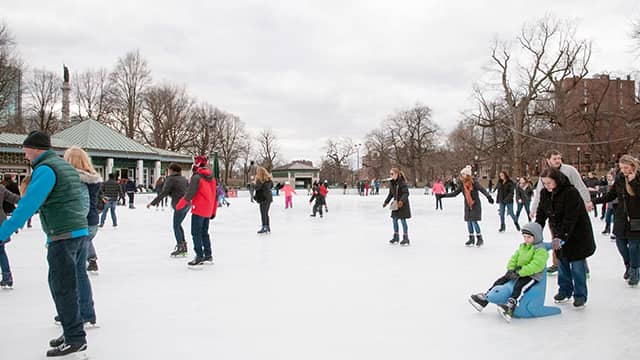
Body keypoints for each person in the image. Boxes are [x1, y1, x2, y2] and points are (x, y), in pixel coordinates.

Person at [0, 131, 90, 357]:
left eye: (26, 149)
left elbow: (29, 204)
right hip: (77, 232)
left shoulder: (46, 169)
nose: (24, 154)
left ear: (37, 148)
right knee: (67, 284)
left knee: (62, 287)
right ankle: (73, 330)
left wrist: (3, 232)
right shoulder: (62, 165)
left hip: (64, 234)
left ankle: (75, 338)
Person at [535, 168, 596, 308]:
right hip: (559, 234)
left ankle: (580, 295)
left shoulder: (570, 193)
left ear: (557, 180)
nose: (547, 186)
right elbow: (541, 213)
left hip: (577, 235)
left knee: (577, 267)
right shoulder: (545, 193)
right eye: (544, 183)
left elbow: (571, 218)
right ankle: (565, 290)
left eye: (549, 183)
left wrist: (562, 237)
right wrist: (536, 229)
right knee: (562, 264)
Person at [468, 222, 549, 322]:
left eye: (529, 237)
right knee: (501, 280)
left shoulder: (540, 250)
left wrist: (520, 273)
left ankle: (511, 306)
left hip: (532, 276)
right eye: (524, 237)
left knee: (519, 286)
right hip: (518, 271)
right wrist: (511, 270)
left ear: (536, 237)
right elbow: (514, 258)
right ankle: (485, 299)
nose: (526, 239)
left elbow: (536, 265)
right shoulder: (522, 246)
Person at [530, 149, 592, 275]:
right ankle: (557, 263)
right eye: (554, 158)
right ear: (548, 160)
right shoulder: (545, 175)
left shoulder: (569, 170)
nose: (558, 161)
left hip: (570, 208)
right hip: (554, 213)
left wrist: (587, 200)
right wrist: (534, 209)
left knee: (574, 238)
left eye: (559, 158)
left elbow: (580, 186)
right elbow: (540, 195)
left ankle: (581, 265)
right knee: (556, 238)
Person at [63, 146, 100, 326]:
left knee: (77, 271)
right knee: (78, 269)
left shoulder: (78, 180)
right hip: (91, 222)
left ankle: (83, 311)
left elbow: (82, 207)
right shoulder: (91, 178)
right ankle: (79, 310)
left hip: (81, 224)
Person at [593, 155, 640, 285]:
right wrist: (594, 201)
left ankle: (635, 270)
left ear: (632, 166)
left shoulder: (638, 177)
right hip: (621, 217)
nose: (624, 171)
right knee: (620, 243)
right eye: (621, 168)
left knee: (634, 246)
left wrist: (633, 182)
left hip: (636, 218)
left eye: (626, 168)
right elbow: (611, 195)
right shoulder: (619, 178)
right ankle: (628, 265)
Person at [176, 156, 217, 266]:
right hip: (208, 208)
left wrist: (179, 205)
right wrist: (213, 210)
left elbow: (190, 193)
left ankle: (199, 256)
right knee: (204, 232)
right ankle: (208, 255)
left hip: (198, 208)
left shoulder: (197, 177)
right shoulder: (212, 177)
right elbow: (214, 195)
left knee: (196, 233)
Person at [147, 163, 190, 257]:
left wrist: (153, 202)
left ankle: (181, 247)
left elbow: (164, 193)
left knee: (176, 226)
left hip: (179, 204)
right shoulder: (184, 179)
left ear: (171, 170)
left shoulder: (171, 179)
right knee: (178, 225)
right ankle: (183, 246)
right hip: (187, 204)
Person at [382, 167, 411, 246]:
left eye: (392, 174)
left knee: (402, 220)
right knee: (394, 220)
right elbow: (391, 194)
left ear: (397, 174)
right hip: (395, 203)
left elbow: (406, 193)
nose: (391, 175)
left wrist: (401, 201)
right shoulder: (392, 183)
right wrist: (386, 202)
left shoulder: (402, 182)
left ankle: (406, 238)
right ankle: (396, 237)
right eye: (390, 174)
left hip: (402, 203)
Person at [0, 183, 19, 288]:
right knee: (1, 252)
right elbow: (14, 198)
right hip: (0, 223)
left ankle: (7, 277)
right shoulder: (1, 188)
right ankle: (7, 277)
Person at [254, 167, 273, 234]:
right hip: (268, 198)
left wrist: (253, 184)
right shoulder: (269, 180)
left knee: (263, 213)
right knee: (266, 213)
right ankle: (267, 226)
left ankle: (264, 227)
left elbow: (257, 188)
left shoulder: (260, 180)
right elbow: (271, 186)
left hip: (263, 198)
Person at [600, 171, 617, 238]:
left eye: (609, 177)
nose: (608, 178)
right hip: (610, 205)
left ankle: (614, 232)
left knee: (615, 220)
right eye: (607, 177)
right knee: (607, 218)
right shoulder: (608, 184)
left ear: (613, 177)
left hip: (616, 204)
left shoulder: (615, 184)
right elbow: (605, 190)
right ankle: (607, 229)